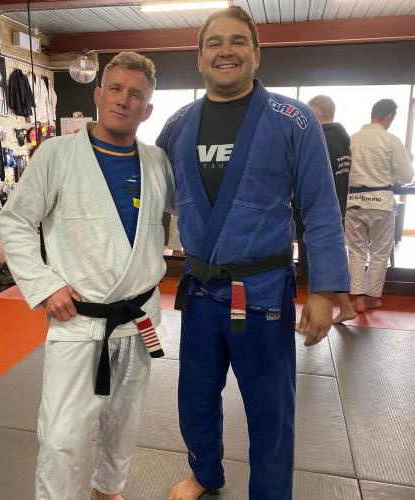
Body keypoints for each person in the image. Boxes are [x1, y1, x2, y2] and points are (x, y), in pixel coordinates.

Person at [156, 7, 350, 500]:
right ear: (199, 57)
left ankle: (270, 493)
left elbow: (321, 207)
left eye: (238, 41)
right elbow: (153, 199)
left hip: (262, 292)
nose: (226, 51)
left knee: (270, 408)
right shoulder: (177, 124)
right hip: (200, 290)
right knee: (195, 396)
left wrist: (324, 289)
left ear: (257, 53)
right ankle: (205, 473)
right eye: (214, 42)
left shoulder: (293, 119)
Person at [0, 52, 175, 500]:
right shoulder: (57, 154)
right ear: (98, 95)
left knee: (124, 420)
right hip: (78, 319)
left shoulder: (157, 161)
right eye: (115, 89)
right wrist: (44, 285)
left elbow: (177, 220)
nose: (123, 100)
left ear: (147, 109)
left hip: (139, 318)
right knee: (63, 435)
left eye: (135, 95)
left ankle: (108, 491)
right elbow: (15, 220)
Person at [293, 94, 356, 324]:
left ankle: (311, 318)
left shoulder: (320, 140)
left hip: (315, 212)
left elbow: (311, 180)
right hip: (336, 207)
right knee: (327, 259)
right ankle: (346, 308)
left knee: (314, 261)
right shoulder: (342, 140)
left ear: (316, 113)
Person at [345, 99, 413, 312]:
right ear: (389, 117)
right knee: (380, 252)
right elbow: (407, 175)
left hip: (353, 201)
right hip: (381, 202)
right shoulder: (391, 140)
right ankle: (371, 298)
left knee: (356, 251)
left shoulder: (352, 139)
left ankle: (357, 298)